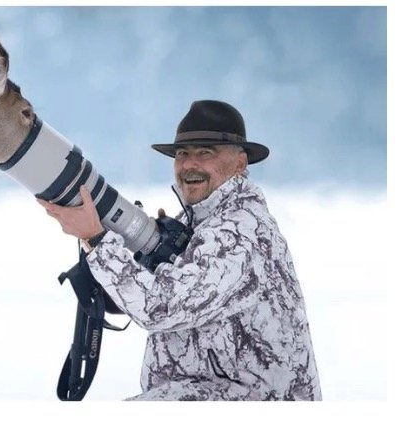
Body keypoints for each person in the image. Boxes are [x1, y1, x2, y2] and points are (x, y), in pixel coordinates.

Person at [38, 100, 322, 401]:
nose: (189, 164)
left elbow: (160, 307)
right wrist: (136, 255)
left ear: (240, 164)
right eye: (182, 154)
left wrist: (96, 239)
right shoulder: (203, 224)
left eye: (205, 153)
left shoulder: (241, 233)